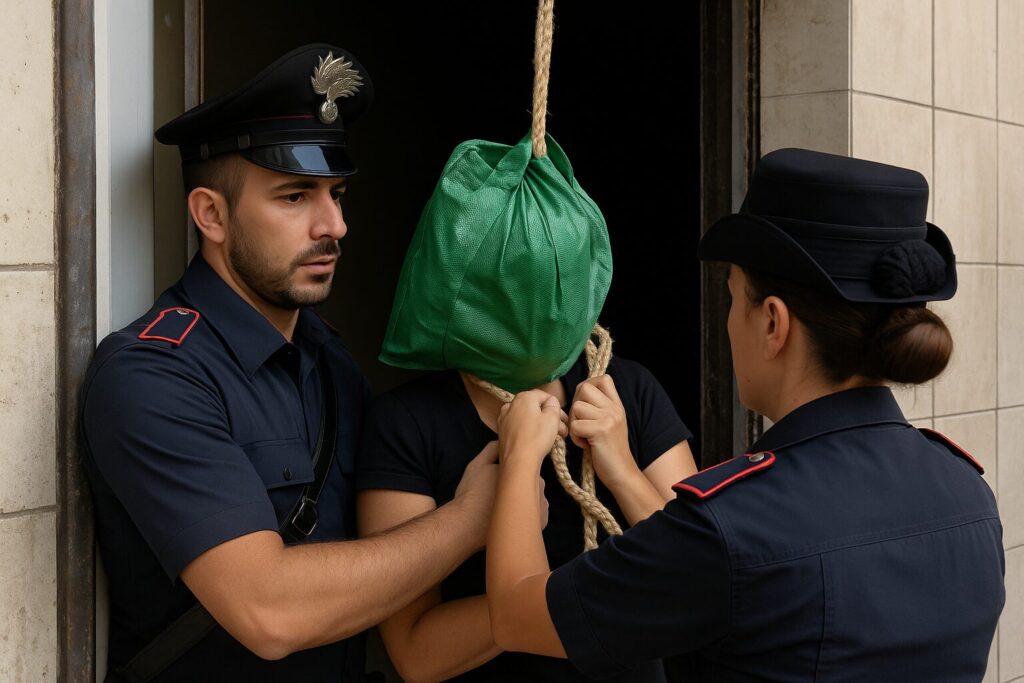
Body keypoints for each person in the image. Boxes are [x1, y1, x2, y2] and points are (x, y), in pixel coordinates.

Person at [485, 148, 1006, 681]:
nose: (729, 322)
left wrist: (521, 457)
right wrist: (621, 470)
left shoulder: (736, 524)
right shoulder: (971, 494)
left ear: (773, 324)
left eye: (733, 298)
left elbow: (514, 616)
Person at [80, 44, 498, 682]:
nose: (334, 225)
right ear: (211, 215)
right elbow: (269, 611)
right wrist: (470, 521)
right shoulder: (150, 376)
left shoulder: (330, 364)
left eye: (337, 194)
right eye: (296, 196)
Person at [357, 343, 697, 681]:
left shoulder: (623, 389)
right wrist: (519, 462)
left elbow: (699, 578)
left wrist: (622, 470)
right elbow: (416, 655)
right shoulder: (406, 421)